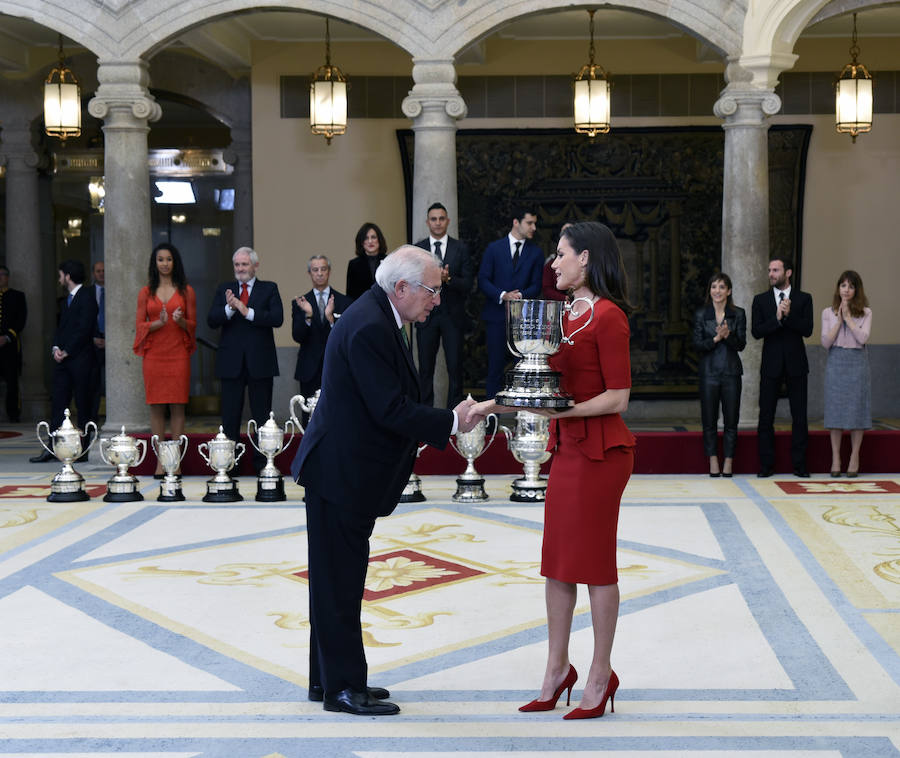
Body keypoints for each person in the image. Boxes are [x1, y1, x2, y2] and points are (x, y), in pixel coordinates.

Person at [291, 245, 481, 717]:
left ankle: (330, 680)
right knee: (339, 583)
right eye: (431, 291)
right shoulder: (372, 324)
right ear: (402, 288)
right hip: (340, 473)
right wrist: (451, 423)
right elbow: (390, 409)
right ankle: (341, 689)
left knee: (336, 581)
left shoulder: (379, 314)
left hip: (344, 471)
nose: (436, 300)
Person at [470, 221, 635, 720]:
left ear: (585, 258)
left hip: (603, 454)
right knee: (557, 564)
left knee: (596, 566)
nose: (552, 263)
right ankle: (557, 669)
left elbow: (618, 396)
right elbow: (540, 384)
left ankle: (601, 673)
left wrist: (565, 413)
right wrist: (486, 406)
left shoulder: (609, 318)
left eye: (561, 254)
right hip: (567, 452)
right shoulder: (564, 315)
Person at [207, 246, 283, 473]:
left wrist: (245, 310)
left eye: (244, 264)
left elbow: (277, 319)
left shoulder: (269, 288)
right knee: (230, 417)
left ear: (255, 266)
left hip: (260, 363)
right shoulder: (225, 289)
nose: (240, 269)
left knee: (262, 417)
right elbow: (211, 319)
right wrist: (230, 309)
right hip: (231, 364)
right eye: (237, 265)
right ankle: (229, 466)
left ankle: (263, 464)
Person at [133, 244, 197, 476]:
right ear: (155, 263)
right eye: (160, 259)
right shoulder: (145, 292)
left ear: (175, 262)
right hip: (154, 355)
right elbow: (139, 326)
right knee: (157, 407)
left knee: (178, 407)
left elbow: (193, 325)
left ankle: (175, 461)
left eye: (169, 259)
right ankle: (162, 460)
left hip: (178, 353)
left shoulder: (186, 291)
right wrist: (157, 323)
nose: (165, 263)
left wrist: (180, 322)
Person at [751, 256, 813, 478]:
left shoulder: (804, 299)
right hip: (771, 365)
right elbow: (756, 331)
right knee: (766, 416)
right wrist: (777, 318)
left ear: (788, 273)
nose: (771, 274)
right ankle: (766, 465)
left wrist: (789, 315)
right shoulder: (761, 300)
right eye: (769, 270)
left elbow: (807, 329)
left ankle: (800, 464)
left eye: (775, 270)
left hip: (797, 364)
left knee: (800, 416)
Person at [30, 260, 98, 462]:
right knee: (58, 404)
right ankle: (52, 447)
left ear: (68, 276)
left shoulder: (87, 297)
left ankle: (84, 449)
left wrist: (67, 350)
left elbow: (84, 329)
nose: (59, 278)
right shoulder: (65, 300)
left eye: (61, 275)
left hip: (81, 360)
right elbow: (61, 329)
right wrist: (56, 348)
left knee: (83, 405)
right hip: (63, 362)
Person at [477, 205, 544, 399]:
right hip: (496, 316)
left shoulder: (536, 252)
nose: (533, 227)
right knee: (495, 368)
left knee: (522, 368)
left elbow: (536, 284)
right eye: (529, 223)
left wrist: (518, 296)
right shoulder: (494, 248)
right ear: (516, 222)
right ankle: (492, 421)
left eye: (534, 223)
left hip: (523, 319)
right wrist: (503, 295)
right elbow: (483, 279)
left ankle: (522, 416)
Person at [414, 202, 474, 408]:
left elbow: (468, 284)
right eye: (433, 219)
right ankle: (425, 416)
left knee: (455, 369)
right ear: (427, 222)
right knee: (425, 370)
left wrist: (448, 280)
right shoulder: (418, 248)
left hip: (453, 317)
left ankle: (454, 417)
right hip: (425, 316)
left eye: (441, 219)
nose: (438, 223)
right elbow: (412, 282)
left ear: (448, 221)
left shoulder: (461, 248)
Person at [691, 272, 746, 477]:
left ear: (729, 291)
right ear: (710, 291)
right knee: (709, 420)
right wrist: (715, 339)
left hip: (731, 372)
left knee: (731, 420)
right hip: (709, 373)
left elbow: (741, 344)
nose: (717, 291)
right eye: (714, 287)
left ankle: (729, 462)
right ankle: (713, 461)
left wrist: (728, 335)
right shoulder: (700, 314)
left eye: (722, 287)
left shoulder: (738, 314)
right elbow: (696, 345)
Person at [821, 270, 871, 477]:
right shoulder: (827, 312)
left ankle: (854, 457)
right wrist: (839, 319)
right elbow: (825, 342)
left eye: (851, 286)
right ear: (838, 288)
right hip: (836, 361)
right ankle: (836, 459)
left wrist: (849, 318)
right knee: (836, 411)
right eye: (843, 285)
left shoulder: (866, 312)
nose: (846, 290)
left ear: (856, 290)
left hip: (857, 361)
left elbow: (863, 338)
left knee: (857, 410)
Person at [291, 255, 352, 423]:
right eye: (315, 270)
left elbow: (346, 337)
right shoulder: (300, 302)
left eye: (323, 269)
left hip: (335, 366)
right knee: (308, 418)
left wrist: (331, 319)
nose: (319, 274)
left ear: (329, 272)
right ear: (309, 273)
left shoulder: (344, 302)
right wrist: (309, 316)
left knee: (336, 415)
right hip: (309, 368)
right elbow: (297, 336)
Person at [0, 266, 27, 423]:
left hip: (10, 345)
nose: (0, 278)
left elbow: (21, 319)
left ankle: (13, 413)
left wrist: (7, 337)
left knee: (12, 380)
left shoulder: (17, 296)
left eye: (3, 275)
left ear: (8, 277)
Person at [346, 222, 387, 300]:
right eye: (366, 238)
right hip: (362, 307)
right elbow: (350, 295)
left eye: (373, 237)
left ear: (379, 239)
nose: (370, 241)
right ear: (361, 242)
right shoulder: (354, 264)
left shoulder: (389, 261)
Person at [89, 261, 106, 423]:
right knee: (94, 381)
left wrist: (110, 340)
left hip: (113, 339)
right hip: (92, 340)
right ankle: (93, 416)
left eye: (104, 271)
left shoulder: (116, 292)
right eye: (98, 271)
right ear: (94, 273)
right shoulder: (88, 293)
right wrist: (93, 337)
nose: (101, 273)